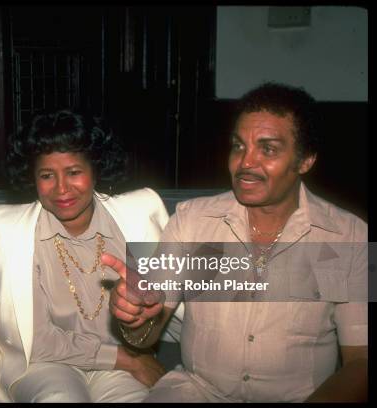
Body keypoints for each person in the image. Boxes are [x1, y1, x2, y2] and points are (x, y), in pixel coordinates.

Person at [105, 82, 368, 402]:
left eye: (267, 149)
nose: (245, 163)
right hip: (197, 391)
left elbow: (360, 361)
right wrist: (135, 317)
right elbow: (147, 333)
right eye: (238, 146)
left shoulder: (347, 236)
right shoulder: (192, 221)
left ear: (305, 160)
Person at [0, 109, 180, 402]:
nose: (61, 188)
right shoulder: (9, 229)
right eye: (46, 175)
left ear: (96, 170)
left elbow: (168, 301)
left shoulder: (138, 215)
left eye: (74, 172)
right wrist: (127, 360)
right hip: (43, 364)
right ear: (32, 178)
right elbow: (37, 341)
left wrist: (140, 328)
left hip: (120, 367)